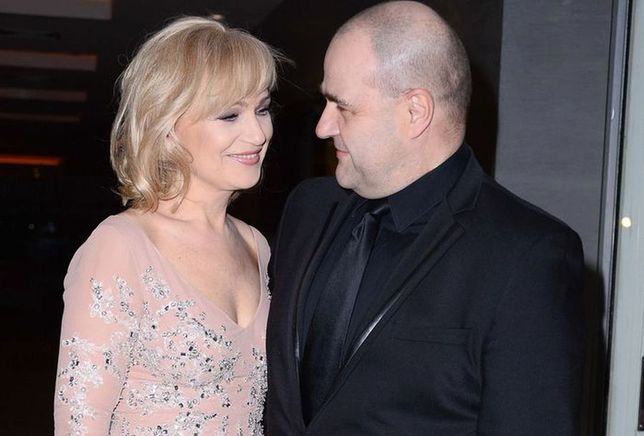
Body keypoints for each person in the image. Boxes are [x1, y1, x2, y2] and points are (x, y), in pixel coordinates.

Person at [265, 1, 585, 435]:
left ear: (415, 111)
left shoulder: (525, 256)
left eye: (343, 107)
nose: (323, 126)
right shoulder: (308, 209)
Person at [54, 16, 279, 435]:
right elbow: (79, 424)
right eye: (230, 115)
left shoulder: (255, 244)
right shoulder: (121, 245)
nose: (257, 133)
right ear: (168, 127)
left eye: (262, 109)